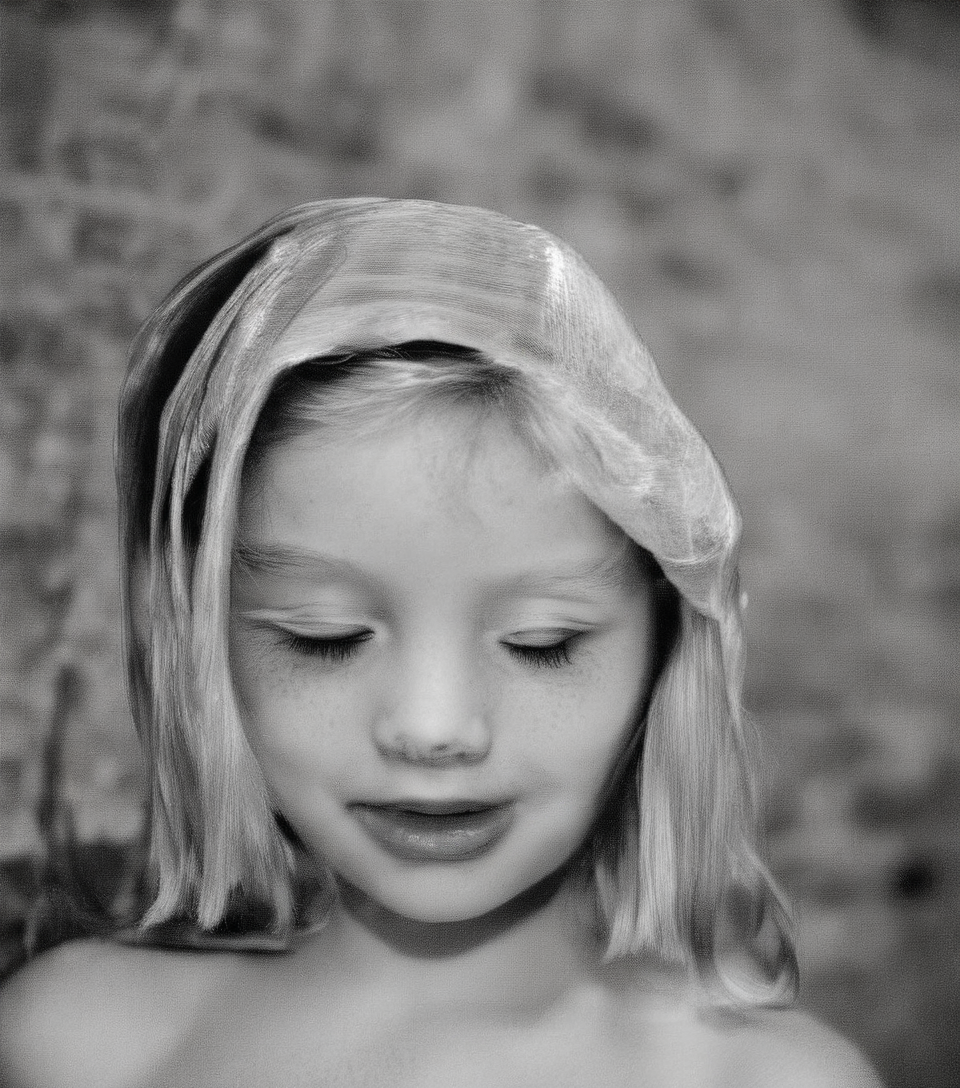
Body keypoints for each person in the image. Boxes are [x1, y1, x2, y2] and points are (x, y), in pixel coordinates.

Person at [0, 199, 881, 1087]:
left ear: (663, 644)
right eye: (325, 638)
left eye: (542, 644)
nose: (433, 728)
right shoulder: (82, 1044)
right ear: (203, 640)